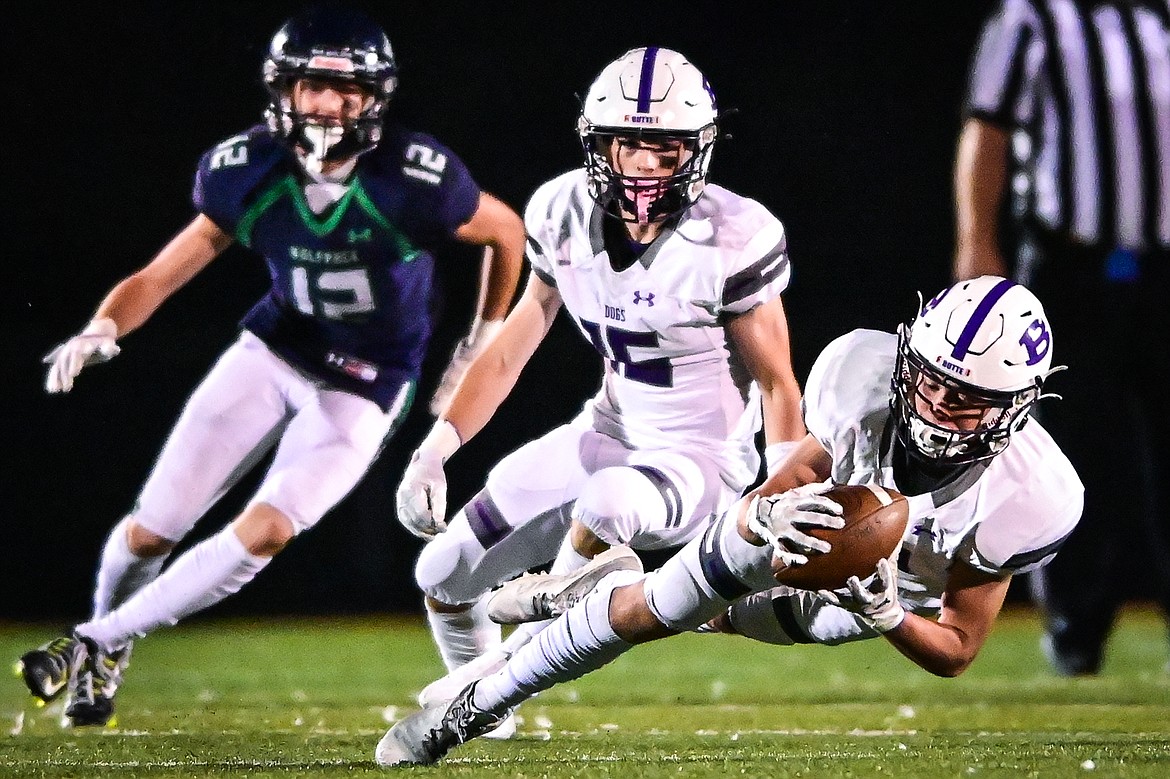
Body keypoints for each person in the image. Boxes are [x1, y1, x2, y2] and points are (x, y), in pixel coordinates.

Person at [17, 4, 524, 728]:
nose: (328, 105)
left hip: (368, 379)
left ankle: (95, 640)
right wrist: (104, 324)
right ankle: (104, 645)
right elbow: (163, 272)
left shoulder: (415, 177)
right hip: (274, 351)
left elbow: (506, 233)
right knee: (151, 529)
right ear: (282, 89)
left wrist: (481, 336)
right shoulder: (245, 170)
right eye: (312, 85)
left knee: (269, 528)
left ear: (375, 97)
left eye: (346, 90)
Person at [374, 274, 1084, 766]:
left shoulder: (1032, 495)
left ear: (1017, 408)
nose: (933, 407)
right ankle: (473, 706)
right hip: (806, 526)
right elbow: (787, 481)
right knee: (653, 611)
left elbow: (958, 645)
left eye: (962, 400)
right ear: (907, 358)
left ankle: (584, 591)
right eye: (929, 380)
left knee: (710, 615)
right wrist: (768, 513)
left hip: (891, 600)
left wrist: (891, 614)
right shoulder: (861, 374)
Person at [392, 46, 807, 737]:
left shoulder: (734, 237)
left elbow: (777, 381)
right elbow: (510, 348)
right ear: (598, 144)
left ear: (697, 152)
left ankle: (490, 688)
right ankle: (497, 713)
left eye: (665, 148)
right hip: (606, 433)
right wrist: (435, 448)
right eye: (629, 144)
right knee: (441, 569)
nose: (644, 164)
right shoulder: (559, 212)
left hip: (700, 461)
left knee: (608, 504)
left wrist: (779, 493)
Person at [953, 0, 1170, 675]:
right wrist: (977, 244)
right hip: (1072, 268)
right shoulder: (1031, 19)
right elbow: (985, 129)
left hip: (1164, 271)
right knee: (1075, 450)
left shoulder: (1158, 19)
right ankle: (1076, 624)